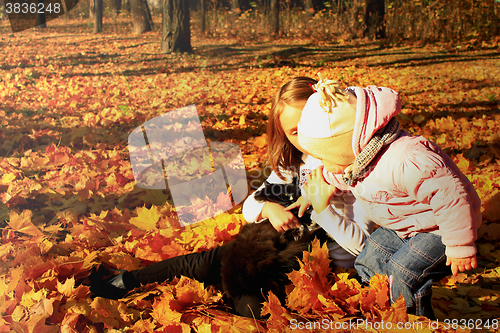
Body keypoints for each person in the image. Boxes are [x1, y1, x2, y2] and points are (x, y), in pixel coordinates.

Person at [90, 77, 373, 316]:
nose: (306, 139)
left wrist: (324, 209)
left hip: (315, 273)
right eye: (295, 132)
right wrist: (270, 209)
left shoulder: (356, 170)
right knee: (195, 262)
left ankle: (225, 294)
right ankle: (122, 281)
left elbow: (366, 251)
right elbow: (251, 205)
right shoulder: (299, 163)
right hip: (271, 251)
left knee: (250, 306)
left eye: (310, 125)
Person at [294, 74, 482, 319]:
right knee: (367, 261)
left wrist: (460, 245)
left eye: (328, 159)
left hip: (440, 228)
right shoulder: (358, 159)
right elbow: (340, 176)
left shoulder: (409, 159)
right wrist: (311, 195)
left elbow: (452, 198)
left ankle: (414, 321)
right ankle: (383, 306)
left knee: (402, 273)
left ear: (350, 145)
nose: (325, 165)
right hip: (404, 225)